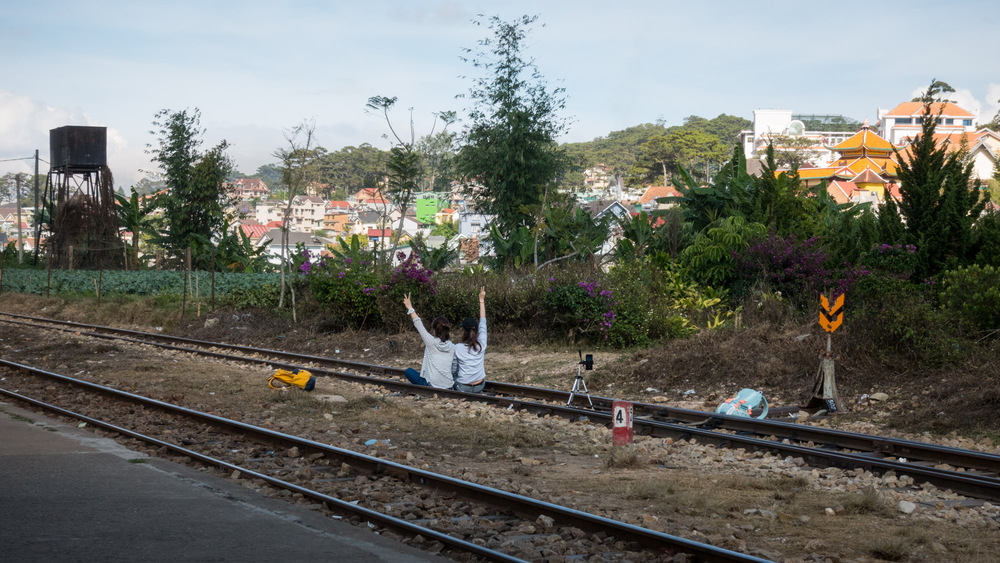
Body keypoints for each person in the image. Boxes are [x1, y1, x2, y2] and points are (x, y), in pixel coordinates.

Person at [402, 293, 455, 390]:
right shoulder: (452, 346)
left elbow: (418, 324)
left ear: (434, 330)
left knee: (408, 371)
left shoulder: (431, 342)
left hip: (431, 385)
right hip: (448, 386)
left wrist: (410, 307)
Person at [452, 287, 487, 393]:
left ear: (464, 331)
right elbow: (483, 322)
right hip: (480, 385)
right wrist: (481, 301)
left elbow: (453, 369)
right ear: (477, 331)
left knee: (453, 375)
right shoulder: (482, 344)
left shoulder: (457, 347)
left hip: (463, 387)